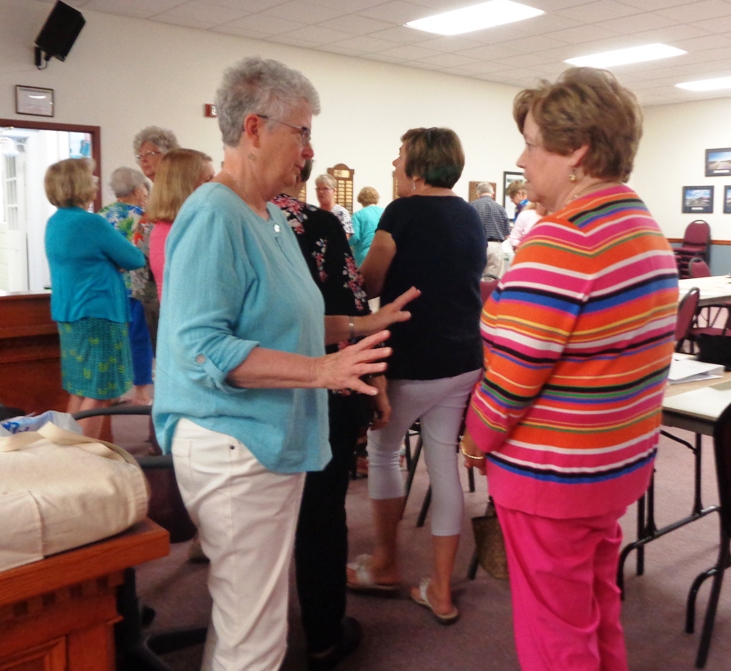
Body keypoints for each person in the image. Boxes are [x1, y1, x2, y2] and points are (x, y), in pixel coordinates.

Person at [152, 56, 392, 671]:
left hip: (265, 439)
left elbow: (287, 320)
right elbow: (202, 346)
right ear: (254, 129)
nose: (309, 150)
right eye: (301, 132)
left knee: (246, 615)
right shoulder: (214, 213)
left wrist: (359, 327)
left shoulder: (272, 215)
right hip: (234, 443)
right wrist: (319, 372)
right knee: (255, 634)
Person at [460, 67, 679, 671]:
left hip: (554, 477)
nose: (522, 159)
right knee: (596, 605)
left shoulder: (561, 242)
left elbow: (511, 378)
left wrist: (475, 441)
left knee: (555, 634)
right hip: (613, 464)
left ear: (577, 151)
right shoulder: (642, 228)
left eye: (532, 144)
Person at [273, 159, 419, 671]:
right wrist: (375, 384)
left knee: (254, 522)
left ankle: (255, 640)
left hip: (251, 394)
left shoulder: (229, 220)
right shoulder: (317, 225)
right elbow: (355, 309)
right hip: (323, 388)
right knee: (320, 515)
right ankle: (322, 636)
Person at [347, 127, 485, 624]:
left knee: (385, 451)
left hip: (412, 358)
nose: (394, 163)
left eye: (400, 155)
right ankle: (440, 590)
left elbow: (369, 283)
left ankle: (386, 563)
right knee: (443, 463)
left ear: (420, 165)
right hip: (463, 358)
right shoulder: (471, 214)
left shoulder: (401, 212)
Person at [44, 158, 145, 438]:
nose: (95, 183)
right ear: (78, 184)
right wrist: (114, 262)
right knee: (100, 392)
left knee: (81, 388)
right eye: (91, 178)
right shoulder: (89, 222)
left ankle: (67, 450)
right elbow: (134, 258)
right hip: (98, 313)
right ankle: (83, 457)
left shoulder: (55, 222)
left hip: (70, 313)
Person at [98, 167, 154, 405]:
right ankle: (141, 392)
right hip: (137, 287)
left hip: (108, 287)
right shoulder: (143, 217)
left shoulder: (100, 216)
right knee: (139, 338)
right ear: (138, 190)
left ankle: (113, 391)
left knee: (112, 338)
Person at [146, 149, 215, 300]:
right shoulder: (177, 231)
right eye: (208, 180)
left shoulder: (168, 228)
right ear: (185, 186)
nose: (216, 185)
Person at [470, 181, 510, 278]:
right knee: (492, 278)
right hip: (495, 246)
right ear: (492, 193)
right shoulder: (500, 208)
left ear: (477, 193)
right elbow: (507, 234)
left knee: (475, 277)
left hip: (476, 245)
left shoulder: (471, 206)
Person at [349, 186, 384, 267]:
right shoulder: (385, 212)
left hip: (364, 255)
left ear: (360, 199)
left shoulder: (358, 215)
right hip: (384, 255)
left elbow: (354, 237)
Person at [315, 173, 353, 238]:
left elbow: (344, 238)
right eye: (318, 189)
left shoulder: (341, 213)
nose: (321, 192)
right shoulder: (314, 213)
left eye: (325, 189)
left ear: (334, 191)